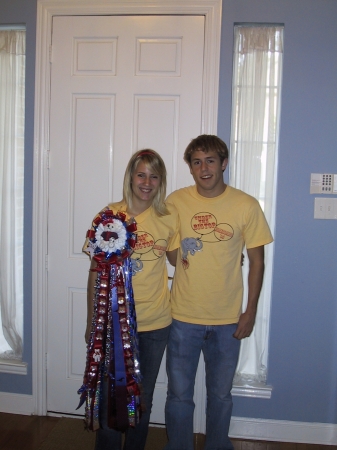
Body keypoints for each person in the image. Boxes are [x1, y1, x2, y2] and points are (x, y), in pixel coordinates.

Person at [164, 135, 273, 450]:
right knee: (179, 395)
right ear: (190, 167)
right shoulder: (175, 202)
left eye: (210, 160)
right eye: (196, 162)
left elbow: (256, 262)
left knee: (221, 396)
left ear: (223, 163)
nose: (204, 168)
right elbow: (172, 258)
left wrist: (250, 311)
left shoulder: (245, 205)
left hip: (228, 320)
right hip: (183, 316)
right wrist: (180, 247)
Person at [83, 149, 179, 450]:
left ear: (160, 181)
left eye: (154, 176)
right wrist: (91, 322)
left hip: (155, 323)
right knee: (112, 395)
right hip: (113, 323)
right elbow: (95, 271)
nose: (147, 182)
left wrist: (225, 256)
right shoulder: (109, 216)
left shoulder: (168, 218)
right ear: (131, 177)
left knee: (143, 397)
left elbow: (179, 260)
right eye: (141, 174)